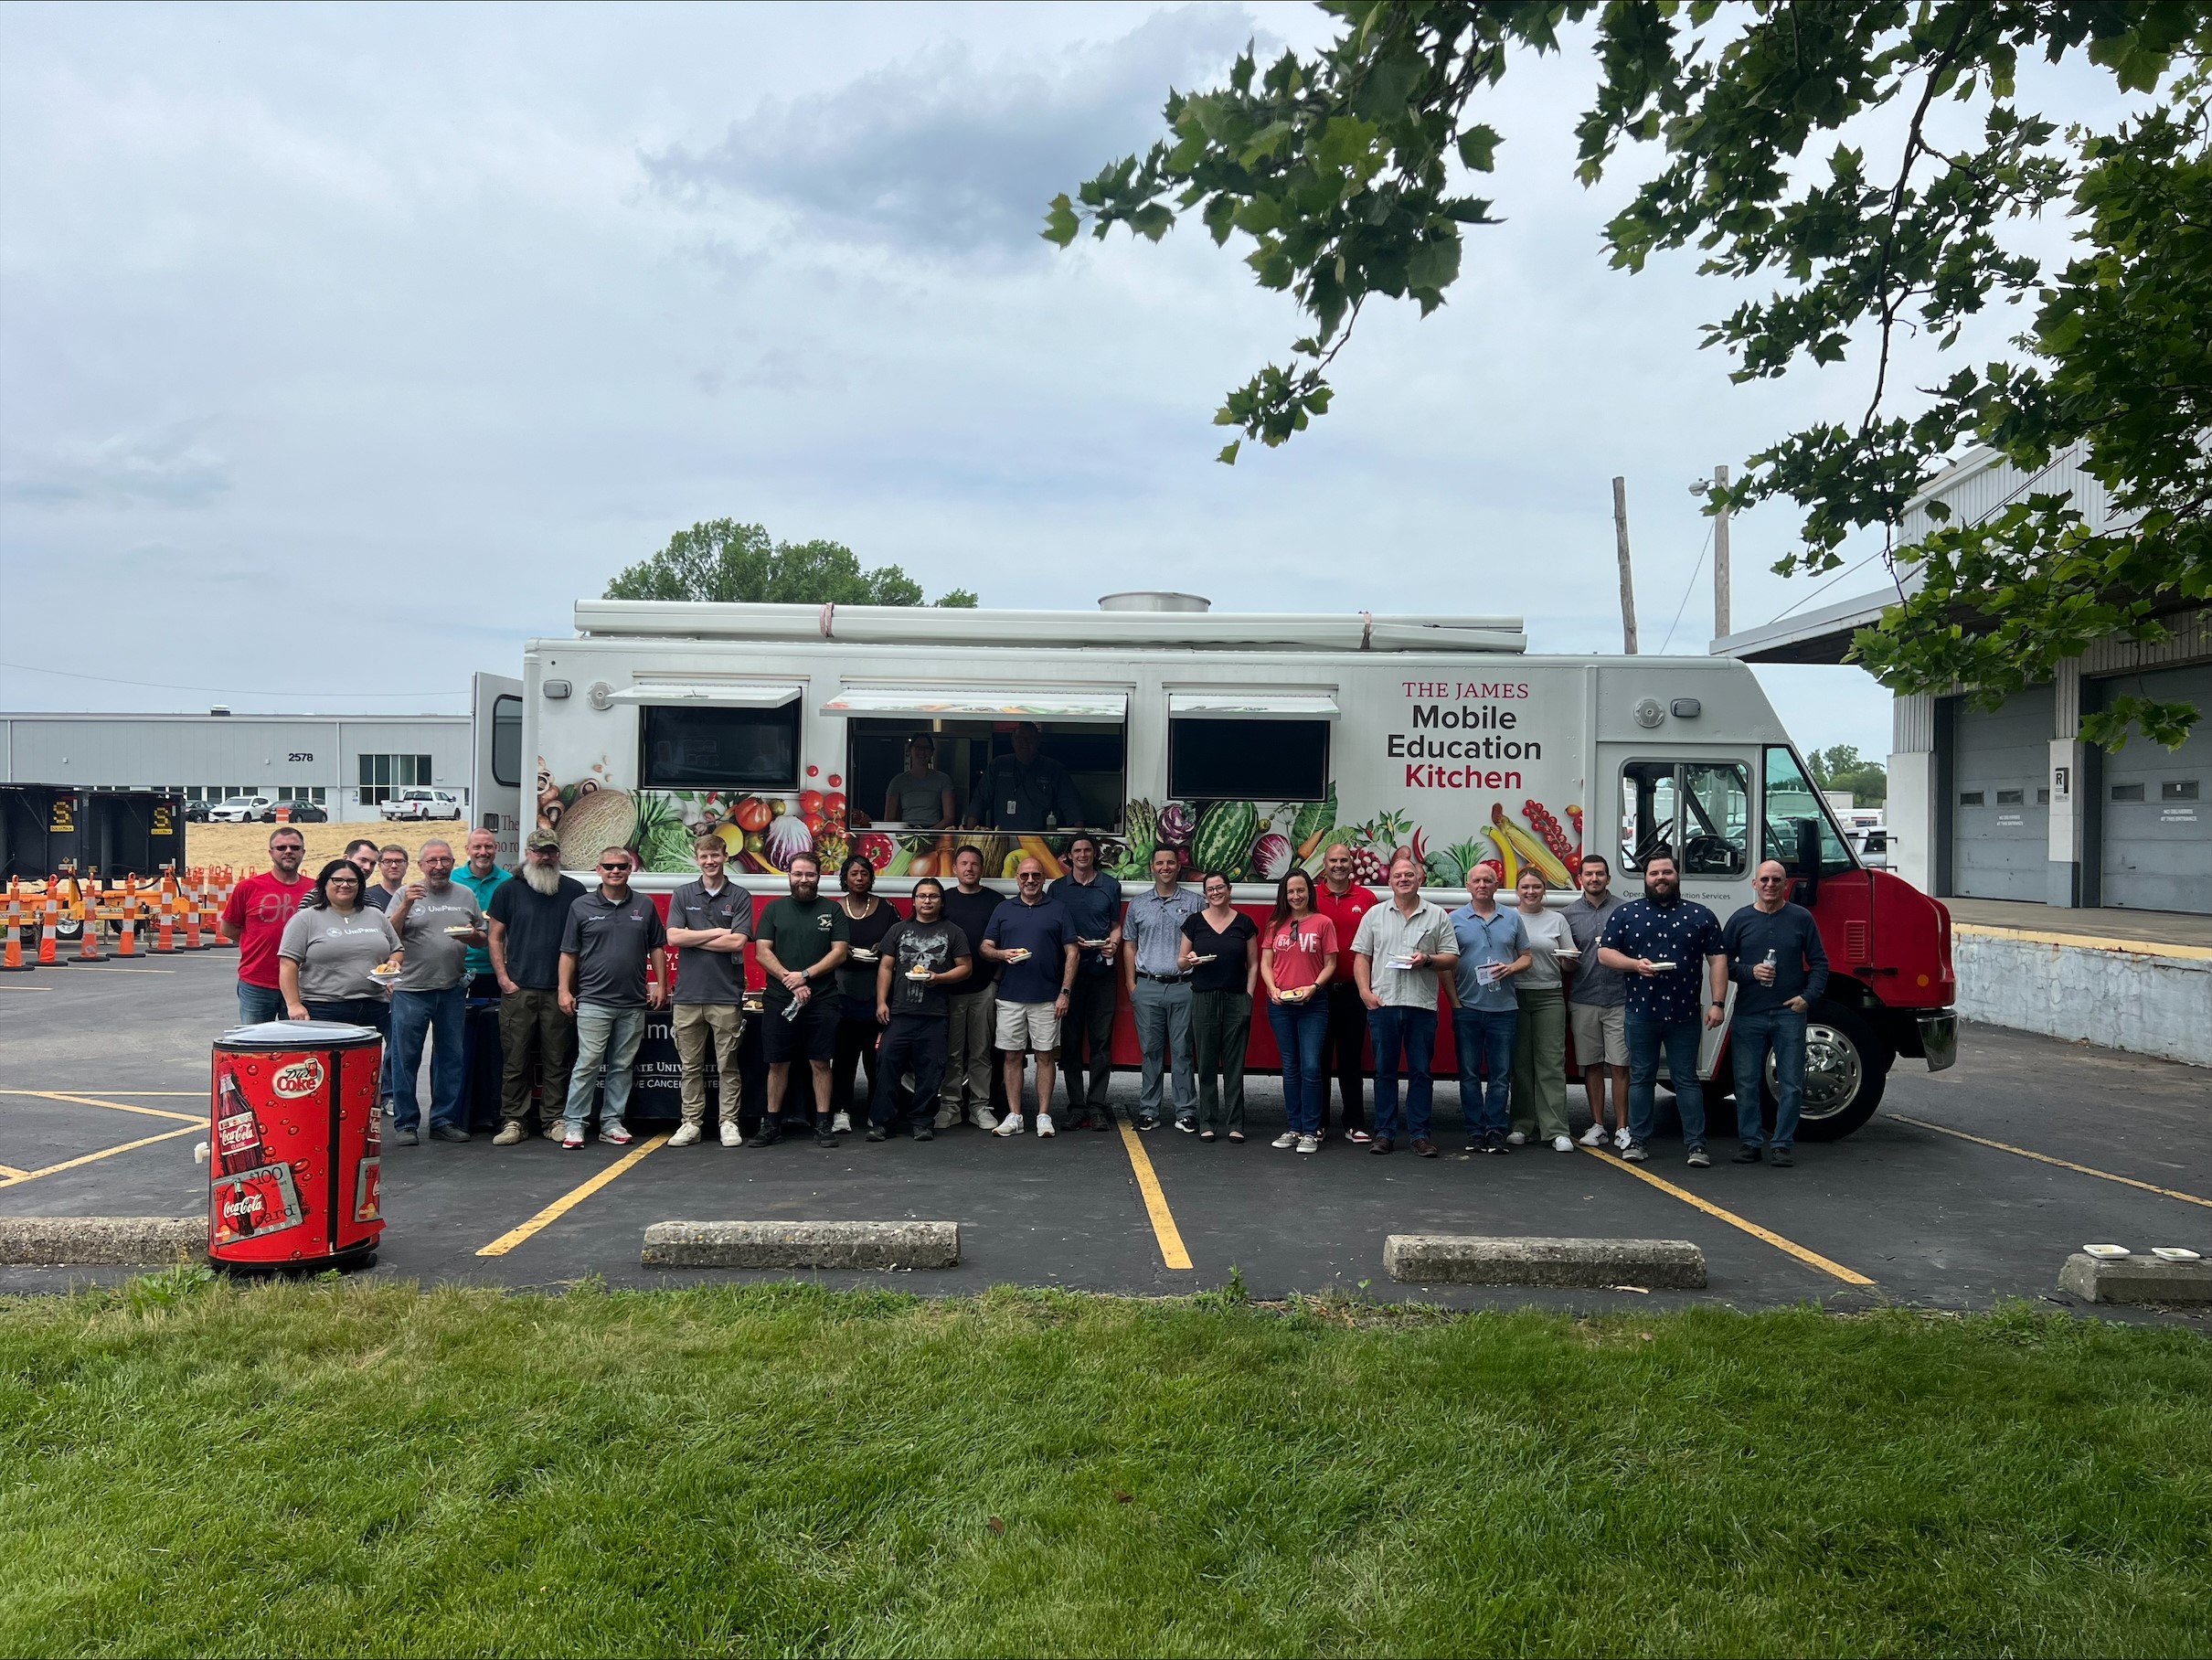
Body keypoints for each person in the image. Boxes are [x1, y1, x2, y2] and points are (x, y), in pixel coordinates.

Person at [1597, 850, 1728, 1166]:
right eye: (1654, 873)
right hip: (1641, 1013)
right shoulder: (1627, 914)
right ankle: (1637, 1141)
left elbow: (1718, 959)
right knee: (1641, 1077)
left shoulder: (1701, 915)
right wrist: (1633, 965)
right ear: (1645, 878)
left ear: (1677, 875)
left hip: (1684, 1014)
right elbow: (1604, 953)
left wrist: (1718, 1003)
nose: (1660, 878)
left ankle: (1696, 1145)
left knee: (1686, 1080)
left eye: (1666, 872)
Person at [557, 846, 667, 1148]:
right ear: (598, 870)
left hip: (632, 1002)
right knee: (588, 1063)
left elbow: (657, 946)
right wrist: (564, 990)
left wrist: (661, 984)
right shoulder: (581, 906)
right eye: (609, 866)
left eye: (621, 866)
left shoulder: (644, 906)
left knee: (622, 1065)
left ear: (631, 869)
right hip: (593, 1000)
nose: (615, 871)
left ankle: (611, 1123)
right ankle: (575, 1124)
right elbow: (569, 952)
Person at [1724, 858, 1831, 1168]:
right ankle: (1750, 1142)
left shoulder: (1801, 918)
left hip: (1789, 1013)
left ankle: (1782, 1144)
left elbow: (1820, 963)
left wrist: (1808, 998)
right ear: (1754, 884)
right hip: (1748, 1013)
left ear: (1786, 885)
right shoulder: (1740, 919)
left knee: (1792, 1082)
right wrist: (1749, 971)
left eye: (1776, 880)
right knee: (1745, 1081)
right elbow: (1722, 962)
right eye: (1765, 880)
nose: (1770, 885)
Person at [1351, 852, 1458, 1156]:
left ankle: (1420, 1135)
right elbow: (1362, 956)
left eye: (1409, 875)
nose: (1403, 879)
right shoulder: (1374, 914)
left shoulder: (1437, 916)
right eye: (1397, 876)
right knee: (1384, 1072)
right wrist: (1364, 992)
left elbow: (1451, 958)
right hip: (1383, 1003)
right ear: (1390, 881)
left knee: (1421, 1072)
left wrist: (1428, 959)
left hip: (1421, 1006)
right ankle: (1384, 1133)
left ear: (1419, 878)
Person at [385, 838, 486, 1146]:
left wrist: (472, 935)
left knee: (450, 1058)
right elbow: (389, 935)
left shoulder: (465, 895)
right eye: (432, 861)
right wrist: (406, 905)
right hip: (411, 991)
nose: (439, 867)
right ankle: (406, 1124)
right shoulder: (406, 893)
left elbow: (481, 938)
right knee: (406, 1059)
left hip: (452, 989)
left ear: (453, 863)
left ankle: (444, 1120)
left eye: (445, 860)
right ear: (420, 866)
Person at [487, 829, 585, 1144]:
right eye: (539, 851)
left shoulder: (574, 890)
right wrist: (503, 978)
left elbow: (582, 940)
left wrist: (568, 987)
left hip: (560, 989)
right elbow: (495, 936)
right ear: (528, 853)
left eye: (551, 851)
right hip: (520, 988)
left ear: (559, 854)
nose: (545, 857)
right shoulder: (508, 890)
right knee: (515, 1058)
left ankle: (554, 1118)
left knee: (557, 1058)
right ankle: (514, 1120)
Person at [749, 851, 850, 1148]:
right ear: (789, 876)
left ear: (819, 877)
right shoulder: (773, 910)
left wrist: (804, 975)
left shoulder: (832, 911)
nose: (803, 879)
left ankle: (823, 1124)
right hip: (780, 1000)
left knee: (820, 1062)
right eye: (798, 874)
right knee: (777, 1063)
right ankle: (771, 1125)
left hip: (822, 1000)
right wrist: (789, 980)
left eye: (810, 874)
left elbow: (839, 952)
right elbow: (762, 952)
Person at [664, 829, 752, 1149]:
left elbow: (738, 941)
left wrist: (694, 934)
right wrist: (717, 931)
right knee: (690, 1067)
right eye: (704, 856)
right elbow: (673, 938)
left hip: (725, 994)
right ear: (697, 859)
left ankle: (729, 1122)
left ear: (725, 857)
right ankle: (691, 1123)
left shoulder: (740, 896)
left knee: (728, 1065)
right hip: (687, 995)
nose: (710, 861)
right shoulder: (683, 894)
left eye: (716, 855)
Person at [981, 856, 1079, 1137]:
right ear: (1017, 879)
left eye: (1036, 875)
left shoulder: (1058, 909)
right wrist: (1003, 954)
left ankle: (1044, 1116)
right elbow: (986, 947)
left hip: (1048, 997)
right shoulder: (1003, 909)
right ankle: (1014, 1115)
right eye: (1025, 876)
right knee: (1012, 1056)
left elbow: (1072, 952)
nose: (1030, 880)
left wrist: (1065, 993)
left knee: (1045, 1057)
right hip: (1010, 995)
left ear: (1043, 879)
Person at [868, 877, 973, 1140]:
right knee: (887, 1065)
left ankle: (922, 1122)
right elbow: (885, 967)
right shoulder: (898, 930)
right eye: (922, 896)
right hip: (900, 1013)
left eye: (933, 896)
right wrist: (881, 1002)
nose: (927, 900)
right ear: (914, 901)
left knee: (930, 1070)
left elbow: (965, 968)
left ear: (941, 901)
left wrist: (939, 978)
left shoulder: (953, 932)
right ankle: (882, 1123)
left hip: (935, 1015)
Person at [1447, 865, 1530, 1155]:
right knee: (1468, 1074)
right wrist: (1454, 1001)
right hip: (1467, 1008)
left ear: (1497, 885)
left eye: (1488, 881)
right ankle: (1474, 1132)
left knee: (1500, 1075)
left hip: (1504, 1009)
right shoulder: (1454, 919)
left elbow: (1527, 957)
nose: (1482, 884)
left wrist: (1511, 968)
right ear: (1468, 885)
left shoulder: (1512, 917)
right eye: (1477, 880)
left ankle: (1495, 1131)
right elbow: (1447, 965)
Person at [1122, 844, 1202, 1131]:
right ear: (1152, 867)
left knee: (1182, 1051)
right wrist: (1131, 984)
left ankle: (1185, 1112)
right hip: (1148, 986)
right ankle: (1149, 1111)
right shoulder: (1138, 904)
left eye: (1170, 863)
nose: (1165, 868)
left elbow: (1204, 941)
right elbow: (1129, 945)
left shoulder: (1195, 903)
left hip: (1184, 987)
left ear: (1178, 866)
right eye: (1160, 863)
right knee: (1151, 1051)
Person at [1048, 832, 1122, 1129]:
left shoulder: (1110, 885)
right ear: (1069, 856)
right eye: (1077, 850)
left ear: (1094, 854)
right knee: (1071, 1042)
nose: (1082, 855)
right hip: (1070, 976)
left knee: (1102, 1041)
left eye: (1087, 850)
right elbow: (1051, 929)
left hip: (1102, 974)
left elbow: (1116, 927)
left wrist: (1112, 944)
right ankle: (1076, 1106)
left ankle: (1097, 1104)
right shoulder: (1056, 888)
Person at [1260, 869, 1336, 1155]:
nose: (1295, 896)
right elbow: (1266, 961)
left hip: (1313, 1005)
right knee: (1290, 1068)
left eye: (1300, 890)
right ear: (1284, 895)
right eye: (1290, 891)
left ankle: (1311, 1131)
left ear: (1309, 892)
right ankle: (1294, 1127)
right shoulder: (1274, 924)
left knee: (1312, 1067)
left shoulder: (1323, 923)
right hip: (1280, 1005)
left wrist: (1314, 987)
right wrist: (1272, 988)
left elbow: (1330, 963)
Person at [1180, 870, 1259, 1143]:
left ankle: (1235, 1123)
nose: (1215, 892)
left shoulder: (1245, 924)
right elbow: (1180, 961)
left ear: (1229, 889)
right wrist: (1190, 959)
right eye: (1210, 889)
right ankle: (1208, 1122)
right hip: (1203, 997)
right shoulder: (1194, 923)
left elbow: (1254, 964)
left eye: (1220, 887)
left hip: (1236, 998)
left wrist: (1248, 996)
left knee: (1235, 1065)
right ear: (1205, 894)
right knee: (1207, 1063)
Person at [277, 858, 399, 1033]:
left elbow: (396, 949)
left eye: (351, 881)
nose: (345, 885)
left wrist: (393, 963)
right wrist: (294, 1004)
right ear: (324, 884)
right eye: (337, 880)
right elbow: (288, 964)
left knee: (366, 1060)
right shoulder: (305, 919)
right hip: (323, 1008)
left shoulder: (375, 915)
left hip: (374, 1006)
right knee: (327, 1060)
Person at [1503, 868, 1576, 1153]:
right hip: (1515, 996)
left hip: (1549, 996)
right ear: (1516, 890)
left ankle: (1556, 1130)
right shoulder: (1508, 917)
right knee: (1520, 1065)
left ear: (1544, 889)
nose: (1530, 891)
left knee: (1551, 1064)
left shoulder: (1557, 920)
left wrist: (1569, 960)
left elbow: (1570, 961)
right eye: (1525, 887)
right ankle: (1522, 1125)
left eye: (1536, 886)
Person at [1313, 842, 1381, 1144]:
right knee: (1319, 1060)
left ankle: (1354, 1122)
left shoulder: (1367, 898)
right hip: (1318, 991)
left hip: (1355, 991)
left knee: (1351, 1060)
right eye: (1333, 860)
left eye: (1344, 860)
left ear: (1351, 864)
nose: (1338, 865)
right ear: (1324, 865)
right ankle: (1318, 1122)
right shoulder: (1312, 896)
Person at [1565, 855, 1632, 1150]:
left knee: (1620, 1066)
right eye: (1589, 874)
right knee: (1591, 1065)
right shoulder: (1567, 915)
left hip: (1620, 998)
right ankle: (1597, 1126)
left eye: (1600, 874)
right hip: (1584, 998)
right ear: (1580, 878)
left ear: (1608, 877)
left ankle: (1622, 1127)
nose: (1594, 879)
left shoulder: (1626, 911)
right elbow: (1565, 960)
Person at [831, 853, 899, 1134]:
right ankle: (841, 1111)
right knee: (844, 1056)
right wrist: (838, 951)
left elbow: (898, 943)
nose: (859, 878)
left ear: (871, 877)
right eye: (854, 874)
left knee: (876, 1058)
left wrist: (880, 947)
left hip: (876, 993)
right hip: (841, 992)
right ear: (845, 878)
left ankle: (876, 1110)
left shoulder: (886, 909)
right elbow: (822, 946)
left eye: (864, 873)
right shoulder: (834, 909)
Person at [218, 825, 314, 1025]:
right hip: (257, 982)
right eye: (281, 848)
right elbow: (229, 928)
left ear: (303, 852)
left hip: (302, 983)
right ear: (271, 852)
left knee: (298, 1045)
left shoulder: (315, 890)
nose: (288, 851)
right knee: (256, 1045)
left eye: (295, 848)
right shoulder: (248, 887)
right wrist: (256, 941)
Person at [937, 846, 1001, 1131]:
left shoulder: (996, 902)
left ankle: (980, 1107)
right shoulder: (943, 900)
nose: (969, 869)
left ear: (982, 868)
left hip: (984, 988)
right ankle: (950, 1106)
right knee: (951, 1052)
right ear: (955, 869)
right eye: (964, 863)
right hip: (949, 989)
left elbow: (1005, 942)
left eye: (975, 864)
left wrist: (996, 980)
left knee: (981, 1051)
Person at [452, 827, 512, 1132]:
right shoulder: (454, 882)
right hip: (461, 974)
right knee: (459, 1049)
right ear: (467, 849)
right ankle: (461, 1113)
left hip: (498, 974)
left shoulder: (508, 882)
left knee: (498, 1047)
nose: (483, 852)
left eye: (488, 847)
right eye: (477, 847)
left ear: (496, 849)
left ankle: (494, 1110)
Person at [964, 720, 1085, 832]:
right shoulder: (999, 765)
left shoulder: (1054, 768)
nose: (1025, 743)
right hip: (1003, 837)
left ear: (1038, 741)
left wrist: (1080, 839)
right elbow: (979, 801)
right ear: (1013, 741)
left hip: (1042, 839)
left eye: (1030, 739)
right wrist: (969, 836)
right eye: (1020, 739)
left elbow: (1072, 805)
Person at [882, 733, 956, 828]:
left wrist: (930, 833)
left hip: (934, 832)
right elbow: (889, 818)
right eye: (918, 747)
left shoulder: (943, 779)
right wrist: (906, 833)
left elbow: (949, 817)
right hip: (906, 833)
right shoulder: (898, 781)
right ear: (909, 750)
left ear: (932, 752)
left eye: (926, 748)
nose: (922, 751)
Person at [361, 844, 409, 912]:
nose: (394, 866)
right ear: (380, 866)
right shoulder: (366, 896)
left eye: (399, 861)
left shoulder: (413, 895)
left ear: (407, 865)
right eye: (387, 861)